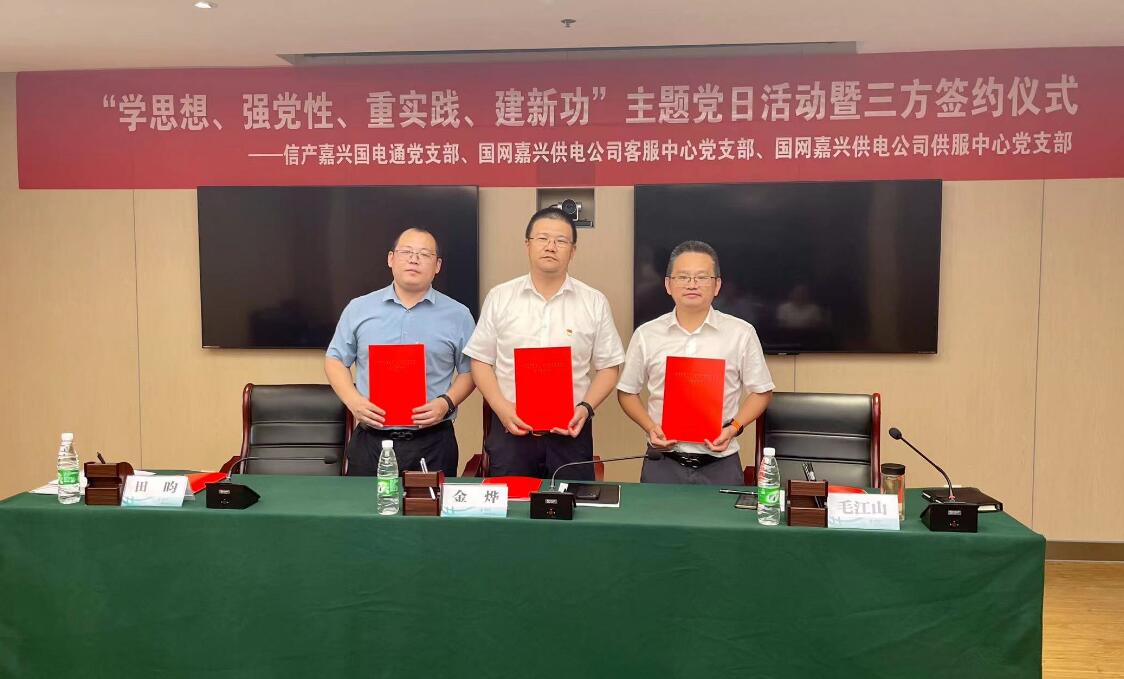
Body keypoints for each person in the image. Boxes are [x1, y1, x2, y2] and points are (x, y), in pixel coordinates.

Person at [464, 207, 625, 480]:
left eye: (561, 241)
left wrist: (585, 408)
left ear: (573, 251)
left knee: (573, 504)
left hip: (571, 432)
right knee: (512, 505)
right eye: (542, 238)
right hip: (511, 431)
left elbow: (609, 366)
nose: (551, 246)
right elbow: (480, 360)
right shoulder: (500, 297)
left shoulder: (593, 301)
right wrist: (501, 408)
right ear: (527, 245)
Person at [617, 240, 774, 484]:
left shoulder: (741, 333)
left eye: (702, 277)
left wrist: (734, 427)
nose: (692, 284)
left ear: (717, 285)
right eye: (683, 277)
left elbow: (762, 391)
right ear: (668, 284)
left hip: (721, 464)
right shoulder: (646, 334)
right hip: (662, 462)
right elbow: (627, 392)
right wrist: (650, 427)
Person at [325, 227, 475, 478]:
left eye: (424, 254)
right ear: (391, 259)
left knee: (431, 504)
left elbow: (471, 371)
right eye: (406, 252)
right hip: (371, 441)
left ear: (437, 265)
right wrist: (353, 401)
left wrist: (446, 403)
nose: (414, 259)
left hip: (433, 442)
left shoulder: (458, 315)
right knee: (363, 504)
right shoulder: (359, 309)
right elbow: (335, 359)